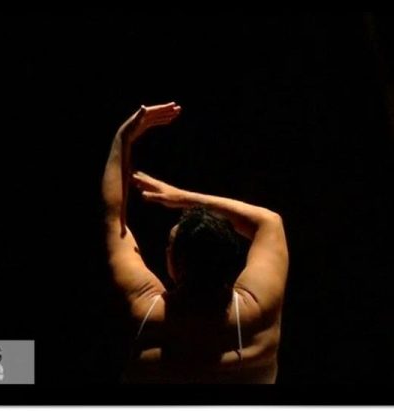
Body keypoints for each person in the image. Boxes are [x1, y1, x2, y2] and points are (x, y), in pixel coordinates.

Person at [101, 102, 289, 384]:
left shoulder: (148, 313)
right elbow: (269, 221)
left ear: (175, 262)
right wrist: (182, 197)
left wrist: (122, 138)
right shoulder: (257, 310)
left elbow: (113, 220)